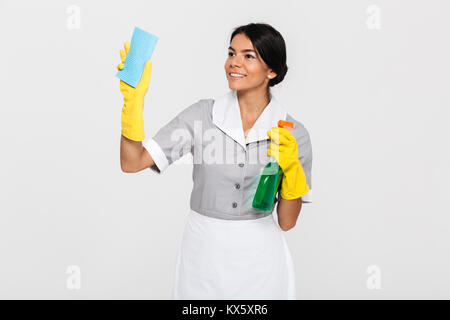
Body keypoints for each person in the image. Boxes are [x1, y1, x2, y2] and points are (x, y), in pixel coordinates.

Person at [118, 23, 313, 300]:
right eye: (231, 53)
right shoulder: (202, 116)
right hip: (203, 255)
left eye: (248, 56)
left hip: (261, 261)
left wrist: (292, 170)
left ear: (272, 71)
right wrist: (132, 106)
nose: (234, 62)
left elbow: (286, 222)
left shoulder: (293, 134)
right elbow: (132, 162)